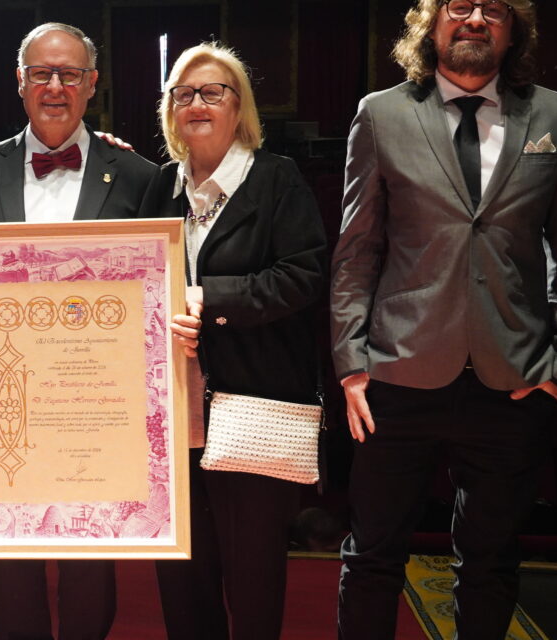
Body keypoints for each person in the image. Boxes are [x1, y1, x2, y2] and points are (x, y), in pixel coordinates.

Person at [330, 1, 557, 638]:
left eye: (493, 8)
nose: (475, 18)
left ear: (513, 28)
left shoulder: (556, 115)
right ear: (431, 22)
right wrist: (352, 369)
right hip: (396, 376)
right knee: (371, 560)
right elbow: (356, 251)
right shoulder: (382, 113)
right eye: (458, 5)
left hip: (515, 379)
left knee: (492, 563)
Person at [0, 22, 159, 640]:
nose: (55, 86)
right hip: (6, 393)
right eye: (41, 73)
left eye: (69, 74)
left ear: (91, 84)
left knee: (89, 558)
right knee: (10, 555)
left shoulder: (136, 175)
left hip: (95, 396)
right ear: (19, 82)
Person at [142, 42, 326, 640]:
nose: (197, 102)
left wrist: (211, 299)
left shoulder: (277, 179)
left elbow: (305, 275)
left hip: (252, 405)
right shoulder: (157, 189)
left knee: (252, 581)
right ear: (170, 109)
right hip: (171, 417)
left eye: (212, 92)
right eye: (184, 93)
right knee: (183, 579)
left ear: (238, 105)